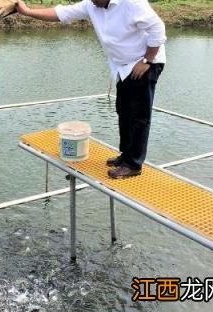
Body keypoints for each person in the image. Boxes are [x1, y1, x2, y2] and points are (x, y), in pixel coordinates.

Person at [15, 0, 166, 179]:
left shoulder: (132, 3)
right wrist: (27, 12)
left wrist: (147, 60)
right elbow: (61, 13)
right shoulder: (92, 4)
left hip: (144, 63)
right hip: (122, 66)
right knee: (124, 111)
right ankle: (125, 156)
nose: (91, 1)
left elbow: (158, 29)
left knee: (138, 115)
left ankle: (133, 165)